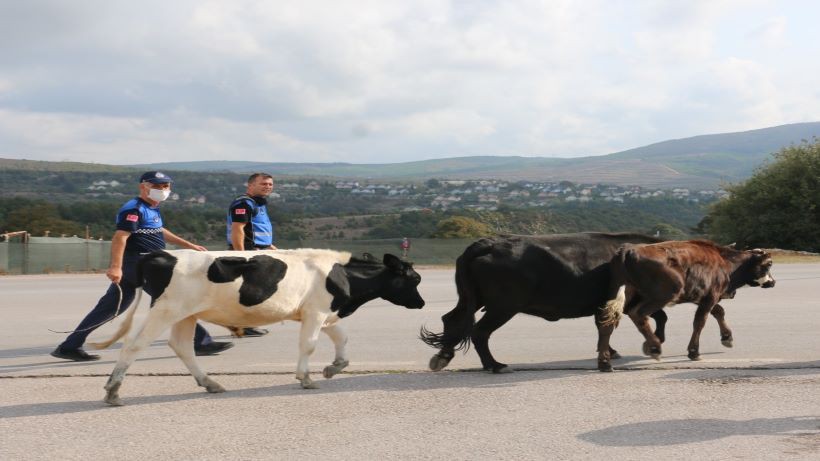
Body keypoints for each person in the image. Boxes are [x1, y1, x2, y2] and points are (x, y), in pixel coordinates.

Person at [51, 171, 233, 361]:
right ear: (143, 186)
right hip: (140, 264)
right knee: (173, 302)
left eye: (165, 186)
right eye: (156, 186)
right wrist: (115, 267)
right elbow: (120, 238)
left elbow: (158, 230)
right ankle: (201, 343)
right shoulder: (134, 209)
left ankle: (69, 346)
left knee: (111, 307)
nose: (162, 190)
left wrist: (189, 245)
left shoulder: (152, 208)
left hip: (145, 263)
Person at [224, 172, 278, 337]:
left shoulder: (258, 204)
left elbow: (257, 230)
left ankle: (242, 324)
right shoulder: (244, 203)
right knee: (250, 291)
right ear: (250, 185)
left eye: (270, 184)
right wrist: (242, 255)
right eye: (263, 184)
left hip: (259, 251)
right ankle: (242, 325)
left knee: (252, 291)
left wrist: (271, 247)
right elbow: (238, 228)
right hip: (248, 253)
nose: (267, 186)